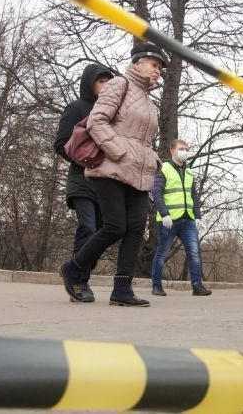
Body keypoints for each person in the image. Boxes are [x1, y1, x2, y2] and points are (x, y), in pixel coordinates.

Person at [59, 42, 167, 307]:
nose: (158, 71)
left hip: (139, 172)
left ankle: (122, 289)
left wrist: (151, 158)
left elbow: (143, 139)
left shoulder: (149, 102)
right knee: (115, 226)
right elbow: (96, 120)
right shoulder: (119, 84)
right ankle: (74, 267)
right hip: (111, 167)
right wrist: (118, 150)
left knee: (135, 229)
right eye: (154, 65)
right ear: (138, 63)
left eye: (160, 68)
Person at [54, 63, 113, 303]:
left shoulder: (112, 113)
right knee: (87, 228)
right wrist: (86, 159)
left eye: (109, 81)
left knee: (102, 233)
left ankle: (73, 269)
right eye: (101, 80)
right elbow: (60, 144)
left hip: (105, 183)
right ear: (90, 83)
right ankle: (79, 282)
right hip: (81, 180)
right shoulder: (77, 107)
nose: (105, 85)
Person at [150, 140, 212, 297]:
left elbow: (194, 196)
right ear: (173, 151)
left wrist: (197, 216)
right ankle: (156, 286)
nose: (185, 151)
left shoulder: (189, 171)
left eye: (186, 149)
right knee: (161, 253)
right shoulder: (163, 168)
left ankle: (197, 286)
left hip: (188, 219)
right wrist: (164, 213)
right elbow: (156, 193)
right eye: (181, 149)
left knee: (194, 253)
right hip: (169, 220)